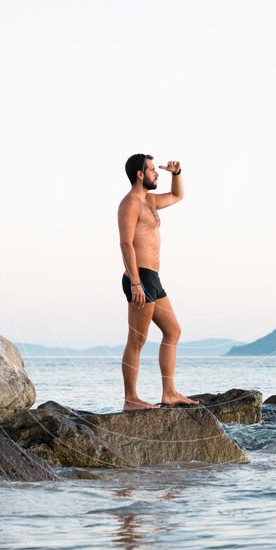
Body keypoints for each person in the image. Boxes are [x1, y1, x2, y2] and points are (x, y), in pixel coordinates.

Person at [117, 153, 200, 410]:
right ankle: (130, 399)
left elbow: (177, 196)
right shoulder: (130, 203)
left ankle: (169, 392)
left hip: (153, 278)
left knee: (173, 330)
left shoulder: (150, 201)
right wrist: (134, 281)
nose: (157, 173)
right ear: (140, 174)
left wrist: (177, 173)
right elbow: (126, 243)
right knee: (137, 340)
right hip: (139, 276)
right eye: (153, 169)